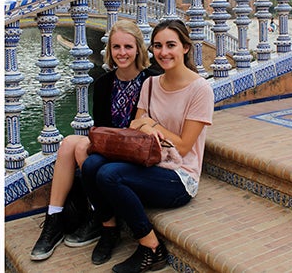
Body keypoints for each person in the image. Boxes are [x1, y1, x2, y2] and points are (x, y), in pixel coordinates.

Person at [81, 19, 214, 272]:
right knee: (91, 164)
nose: (163, 52)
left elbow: (184, 146)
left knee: (109, 175)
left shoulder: (200, 90)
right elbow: (134, 124)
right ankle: (108, 229)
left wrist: (153, 126)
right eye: (158, 46)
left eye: (171, 45)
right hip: (149, 160)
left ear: (185, 47)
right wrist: (146, 125)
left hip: (178, 175)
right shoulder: (151, 84)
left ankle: (151, 247)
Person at [30, 19, 160, 262]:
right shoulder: (103, 84)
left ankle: (101, 220)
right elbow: (103, 128)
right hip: (112, 148)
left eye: (128, 47)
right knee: (70, 143)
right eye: (116, 47)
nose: (122, 53)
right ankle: (54, 218)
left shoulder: (152, 80)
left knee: (78, 146)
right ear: (109, 50)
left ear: (139, 49)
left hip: (136, 153)